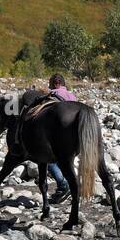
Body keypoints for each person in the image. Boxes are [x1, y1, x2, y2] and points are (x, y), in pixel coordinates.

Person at [45, 74, 77, 203]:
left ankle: (63, 185)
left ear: (55, 84)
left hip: (57, 133)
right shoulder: (72, 95)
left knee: (49, 161)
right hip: (73, 133)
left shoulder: (51, 95)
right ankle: (70, 186)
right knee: (66, 161)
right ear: (63, 83)